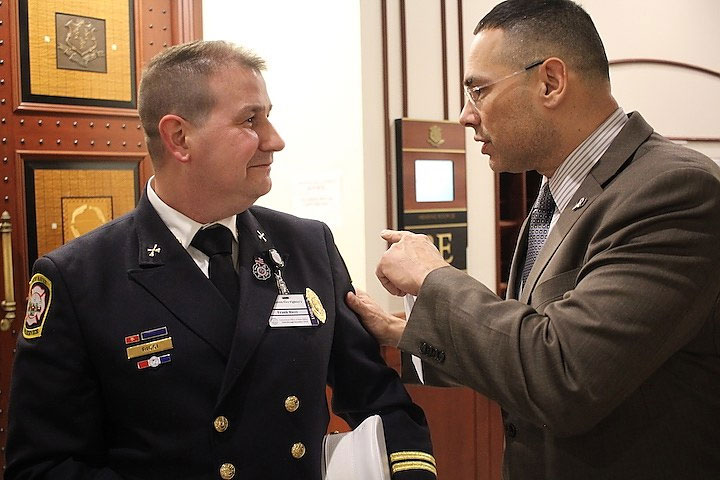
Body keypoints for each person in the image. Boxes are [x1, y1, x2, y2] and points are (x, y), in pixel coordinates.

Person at [6, 40, 437, 480]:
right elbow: (43, 466)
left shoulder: (307, 245)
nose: (275, 140)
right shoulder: (79, 278)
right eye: (251, 120)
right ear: (179, 138)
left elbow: (378, 399)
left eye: (268, 117)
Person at [347, 1, 720, 479]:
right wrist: (405, 334)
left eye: (479, 91)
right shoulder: (557, 194)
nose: (465, 116)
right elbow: (527, 346)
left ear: (550, 82)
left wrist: (434, 277)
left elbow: (564, 375)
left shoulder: (673, 191)